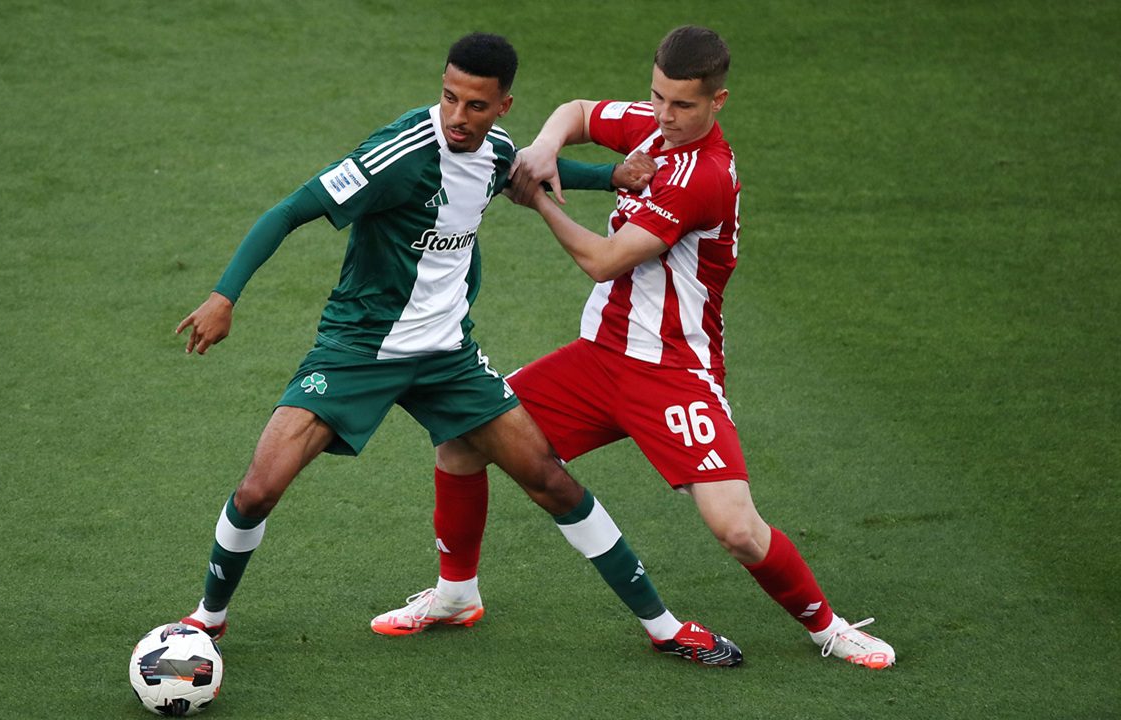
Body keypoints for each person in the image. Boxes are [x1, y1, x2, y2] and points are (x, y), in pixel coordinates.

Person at [173, 32, 741, 667]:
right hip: (359, 350)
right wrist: (224, 296)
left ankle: (664, 627)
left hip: (448, 358)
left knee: (550, 480)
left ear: (503, 106)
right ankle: (207, 618)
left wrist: (610, 175)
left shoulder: (493, 150)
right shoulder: (396, 155)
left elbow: (518, 171)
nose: (457, 117)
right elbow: (288, 211)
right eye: (448, 98)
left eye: (475, 105)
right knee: (259, 489)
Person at [372, 26, 896, 670]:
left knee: (737, 529)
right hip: (596, 359)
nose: (665, 116)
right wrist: (543, 148)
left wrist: (537, 197)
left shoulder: (704, 176)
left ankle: (829, 628)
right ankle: (456, 594)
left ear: (718, 101)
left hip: (674, 372)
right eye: (657, 97)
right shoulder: (653, 125)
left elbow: (604, 260)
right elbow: (578, 112)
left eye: (682, 105)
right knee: (461, 439)